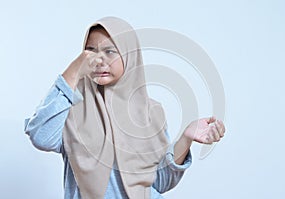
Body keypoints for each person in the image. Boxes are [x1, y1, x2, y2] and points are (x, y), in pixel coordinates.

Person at [24, 16, 225, 199]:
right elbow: (41, 136)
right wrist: (74, 71)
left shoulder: (150, 111)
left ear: (130, 56)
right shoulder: (71, 108)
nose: (99, 59)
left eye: (110, 51)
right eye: (90, 51)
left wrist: (185, 138)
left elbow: (158, 183)